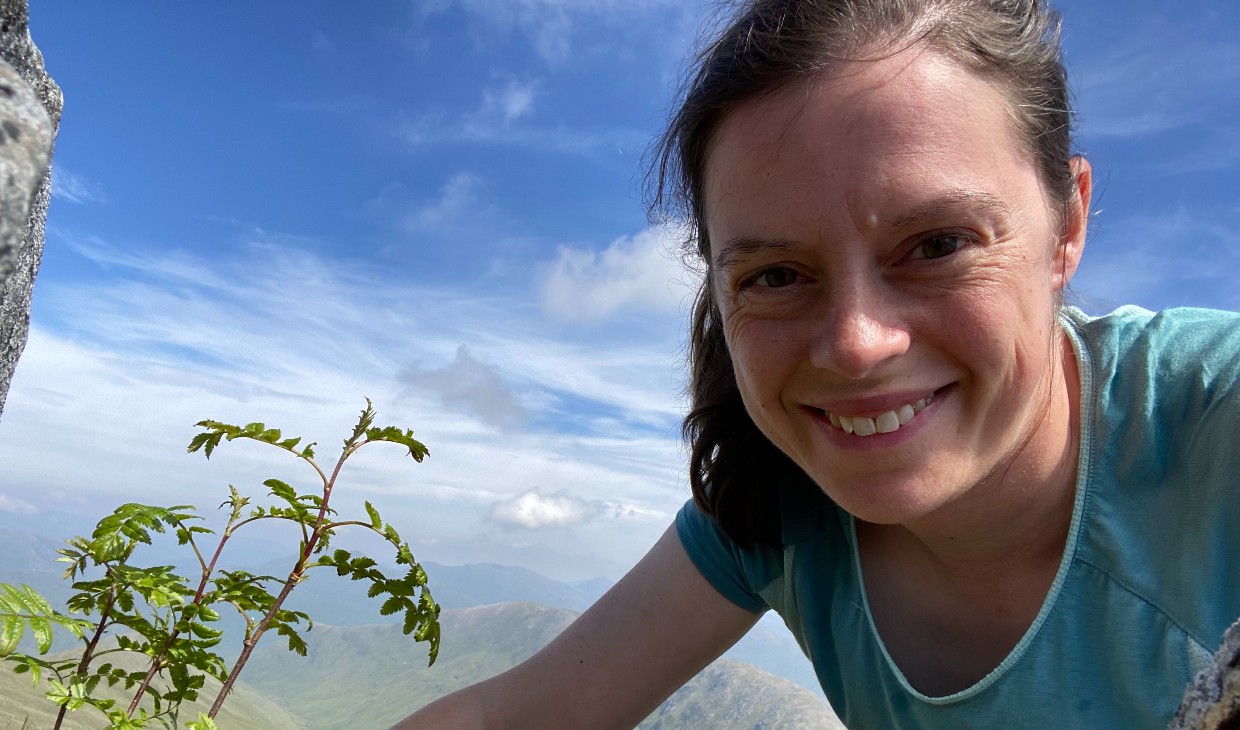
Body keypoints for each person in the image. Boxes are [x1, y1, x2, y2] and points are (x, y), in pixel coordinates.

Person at [393, 0, 1240, 727]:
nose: (855, 344)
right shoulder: (773, 504)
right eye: (775, 276)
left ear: (1067, 226)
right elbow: (518, 715)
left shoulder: (1214, 418)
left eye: (937, 244)